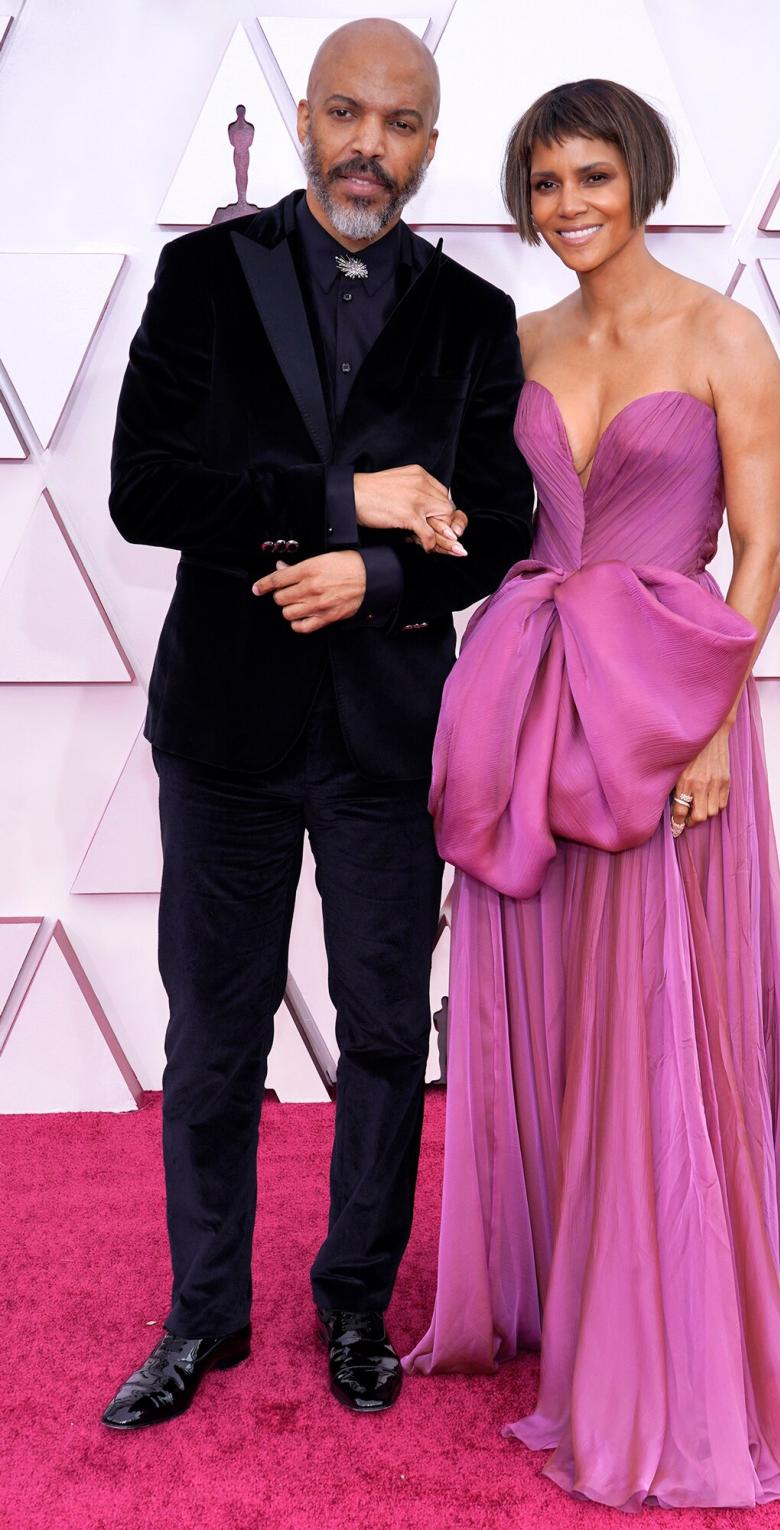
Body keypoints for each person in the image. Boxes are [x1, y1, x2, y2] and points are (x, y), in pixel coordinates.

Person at [404, 79, 780, 1510]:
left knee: (656, 1018)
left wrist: (713, 726)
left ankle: (667, 1299)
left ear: (644, 178)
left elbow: (758, 548)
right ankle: (574, 1274)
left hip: (667, 721)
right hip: (540, 704)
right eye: (545, 183)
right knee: (557, 998)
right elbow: (499, 514)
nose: (568, 207)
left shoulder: (726, 333)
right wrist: (436, 515)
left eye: (592, 177)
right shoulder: (520, 341)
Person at [100, 19, 533, 1430]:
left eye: (399, 123)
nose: (369, 145)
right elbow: (146, 490)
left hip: (387, 730)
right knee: (214, 1031)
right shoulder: (201, 274)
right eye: (345, 113)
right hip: (224, 724)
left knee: (385, 1036)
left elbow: (504, 522)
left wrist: (380, 571)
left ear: (429, 142)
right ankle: (202, 1313)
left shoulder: (472, 315)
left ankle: (355, 1300)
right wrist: (343, 505)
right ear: (301, 120)